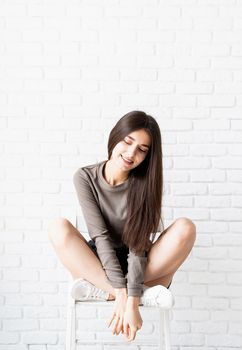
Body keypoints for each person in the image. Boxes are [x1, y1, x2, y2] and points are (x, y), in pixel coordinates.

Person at [48, 110, 196, 342]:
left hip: (141, 264)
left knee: (186, 227)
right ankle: (128, 292)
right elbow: (101, 236)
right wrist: (124, 294)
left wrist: (130, 297)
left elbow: (138, 246)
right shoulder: (85, 177)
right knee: (58, 227)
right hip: (100, 263)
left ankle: (112, 292)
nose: (131, 153)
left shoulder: (145, 184)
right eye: (127, 142)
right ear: (115, 136)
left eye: (142, 150)